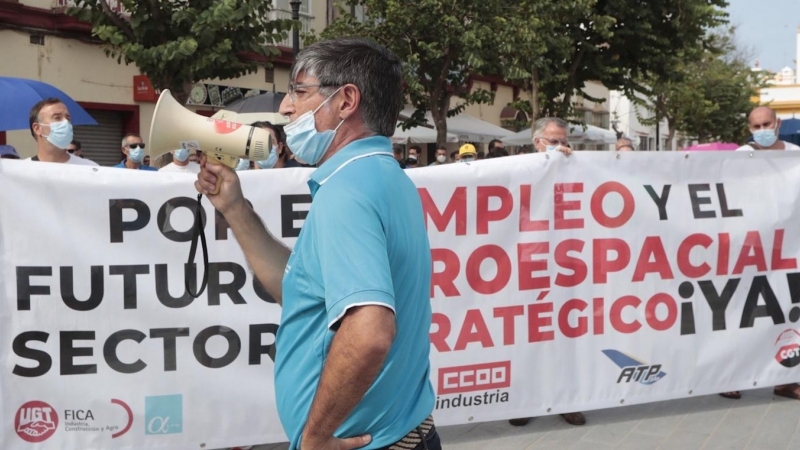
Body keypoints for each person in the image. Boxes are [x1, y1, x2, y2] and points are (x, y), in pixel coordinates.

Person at [195, 37, 438, 450]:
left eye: (299, 91)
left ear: (346, 101)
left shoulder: (348, 191)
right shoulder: (381, 175)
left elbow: (370, 332)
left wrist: (316, 437)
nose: (286, 107)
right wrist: (235, 209)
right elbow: (297, 288)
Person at [510, 116, 581, 428]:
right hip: (529, 264)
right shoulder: (517, 168)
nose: (561, 146)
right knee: (528, 335)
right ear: (537, 141)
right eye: (554, 141)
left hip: (567, 265)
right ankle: (525, 400)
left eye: (564, 141)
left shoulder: (573, 167)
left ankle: (567, 400)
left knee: (566, 333)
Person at [26, 98, 98, 166]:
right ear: (37, 128)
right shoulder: (22, 170)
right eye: (57, 117)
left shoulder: (89, 168)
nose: (66, 122)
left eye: (68, 118)